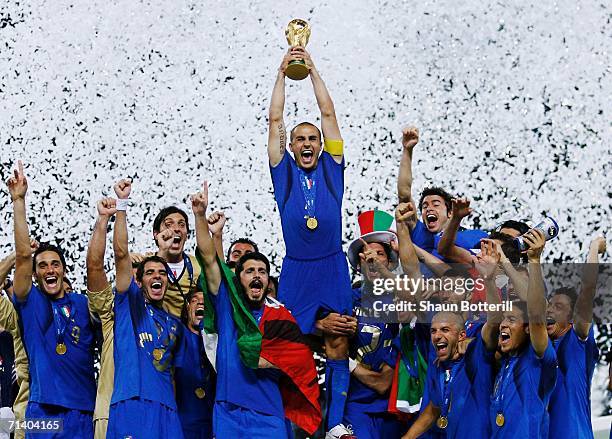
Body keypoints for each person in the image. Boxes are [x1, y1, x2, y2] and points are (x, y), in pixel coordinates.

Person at [268, 45, 354, 439]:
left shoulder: (333, 170)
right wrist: (283, 74)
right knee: (291, 346)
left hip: (332, 264)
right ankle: (292, 427)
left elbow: (330, 114)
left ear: (321, 146)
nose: (305, 143)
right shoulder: (283, 173)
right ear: (292, 146)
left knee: (337, 339)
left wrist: (314, 69)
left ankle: (335, 423)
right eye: (299, 138)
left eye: (312, 139)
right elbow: (274, 119)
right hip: (297, 270)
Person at [7, 161, 96, 437]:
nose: (49, 270)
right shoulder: (31, 302)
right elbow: (23, 255)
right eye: (42, 265)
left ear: (64, 270)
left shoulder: (83, 303)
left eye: (55, 264)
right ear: (34, 275)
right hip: (42, 411)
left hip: (84, 409)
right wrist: (19, 202)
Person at [402, 239, 504, 439]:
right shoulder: (435, 326)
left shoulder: (478, 329)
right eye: (444, 289)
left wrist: (490, 279)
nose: (447, 294)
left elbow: (495, 322)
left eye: (454, 288)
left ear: (468, 295)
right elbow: (434, 408)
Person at [107, 179, 184, 438]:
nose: (157, 276)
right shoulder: (130, 304)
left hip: (167, 410)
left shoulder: (175, 323)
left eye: (162, 272)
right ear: (139, 281)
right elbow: (120, 253)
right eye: (149, 272)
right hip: (133, 402)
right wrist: (121, 205)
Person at [490, 229, 558, 438]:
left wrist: (534, 260)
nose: (503, 325)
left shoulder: (538, 357)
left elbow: (536, 312)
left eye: (511, 320)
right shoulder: (505, 361)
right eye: (504, 319)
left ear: (528, 328)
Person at [342, 209, 404, 439]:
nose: (373, 259)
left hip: (395, 409)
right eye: (367, 255)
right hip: (355, 405)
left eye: (379, 254)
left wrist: (346, 364)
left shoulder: (401, 303)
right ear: (358, 263)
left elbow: (383, 384)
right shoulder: (347, 299)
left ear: (390, 260)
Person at [546, 236, 605, 439]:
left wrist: (594, 249)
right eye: (549, 305)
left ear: (572, 319)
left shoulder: (577, 341)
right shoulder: (538, 348)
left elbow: (587, 291)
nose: (549, 310)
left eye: (558, 307)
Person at [397, 127, 486, 260]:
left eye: (436, 204)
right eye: (425, 206)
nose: (429, 208)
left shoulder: (476, 235)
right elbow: (404, 194)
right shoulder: (421, 234)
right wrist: (407, 150)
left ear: (450, 212)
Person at [86, 197, 118, 439]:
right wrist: (104, 219)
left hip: (156, 412)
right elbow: (95, 266)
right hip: (110, 412)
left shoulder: (169, 320)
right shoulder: (111, 314)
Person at [175, 289, 215, 439]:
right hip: (183, 424)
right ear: (187, 308)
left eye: (205, 300)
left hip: (212, 425)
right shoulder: (177, 335)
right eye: (194, 300)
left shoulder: (219, 342)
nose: (201, 302)